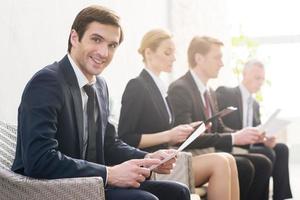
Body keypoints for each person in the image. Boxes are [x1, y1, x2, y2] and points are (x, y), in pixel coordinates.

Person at [11, 5, 191, 200]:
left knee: (178, 192)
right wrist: (110, 174)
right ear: (74, 38)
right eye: (96, 40)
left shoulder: (100, 85)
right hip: (52, 188)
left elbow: (109, 143)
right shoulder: (47, 82)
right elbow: (39, 159)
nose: (104, 53)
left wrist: (147, 158)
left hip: (91, 182)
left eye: (112, 45)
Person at [118, 29, 239, 200]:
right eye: (167, 53)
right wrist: (169, 135)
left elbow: (163, 131)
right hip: (151, 164)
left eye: (174, 53)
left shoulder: (160, 88)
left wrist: (183, 131)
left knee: (228, 159)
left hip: (167, 158)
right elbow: (126, 137)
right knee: (220, 162)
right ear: (149, 53)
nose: (173, 58)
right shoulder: (137, 86)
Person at [168, 36, 273, 200]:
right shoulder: (180, 88)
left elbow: (219, 127)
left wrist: (243, 134)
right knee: (246, 166)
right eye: (217, 57)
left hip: (211, 149)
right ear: (199, 59)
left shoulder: (209, 90)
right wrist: (233, 137)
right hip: (193, 154)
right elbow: (186, 137)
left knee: (263, 162)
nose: (222, 63)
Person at [216, 59, 293, 200]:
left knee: (281, 148)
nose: (260, 82)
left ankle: (281, 197)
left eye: (262, 79)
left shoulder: (255, 104)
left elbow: (258, 130)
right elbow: (218, 126)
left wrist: (265, 139)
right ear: (245, 74)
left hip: (248, 146)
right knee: (267, 154)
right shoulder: (226, 93)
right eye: (257, 78)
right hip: (231, 143)